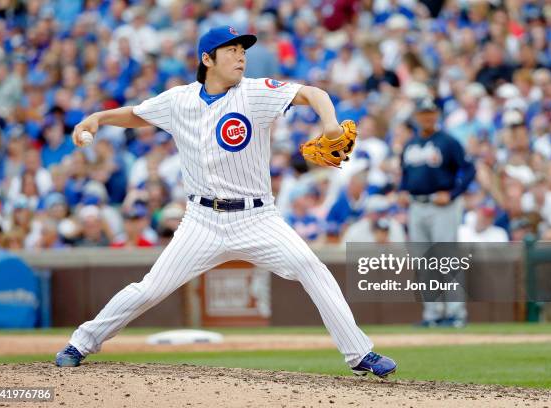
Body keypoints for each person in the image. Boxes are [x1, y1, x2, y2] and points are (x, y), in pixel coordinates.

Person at [55, 26, 396, 378]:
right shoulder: (179, 100)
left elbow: (314, 92)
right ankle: (81, 342)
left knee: (312, 269)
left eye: (243, 50)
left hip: (257, 217)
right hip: (201, 221)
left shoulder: (255, 93)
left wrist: (330, 125)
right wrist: (98, 118)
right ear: (207, 59)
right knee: (150, 289)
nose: (241, 56)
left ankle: (359, 354)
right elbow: (137, 114)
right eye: (231, 50)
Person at [399, 98, 476, 327]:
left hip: (442, 205)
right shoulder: (410, 144)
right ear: (416, 116)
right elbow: (405, 175)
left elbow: (469, 169)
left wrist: (453, 194)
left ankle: (455, 313)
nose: (427, 117)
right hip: (416, 205)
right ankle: (432, 314)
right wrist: (402, 191)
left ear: (437, 115)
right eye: (423, 113)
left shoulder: (448, 142)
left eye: (431, 112)